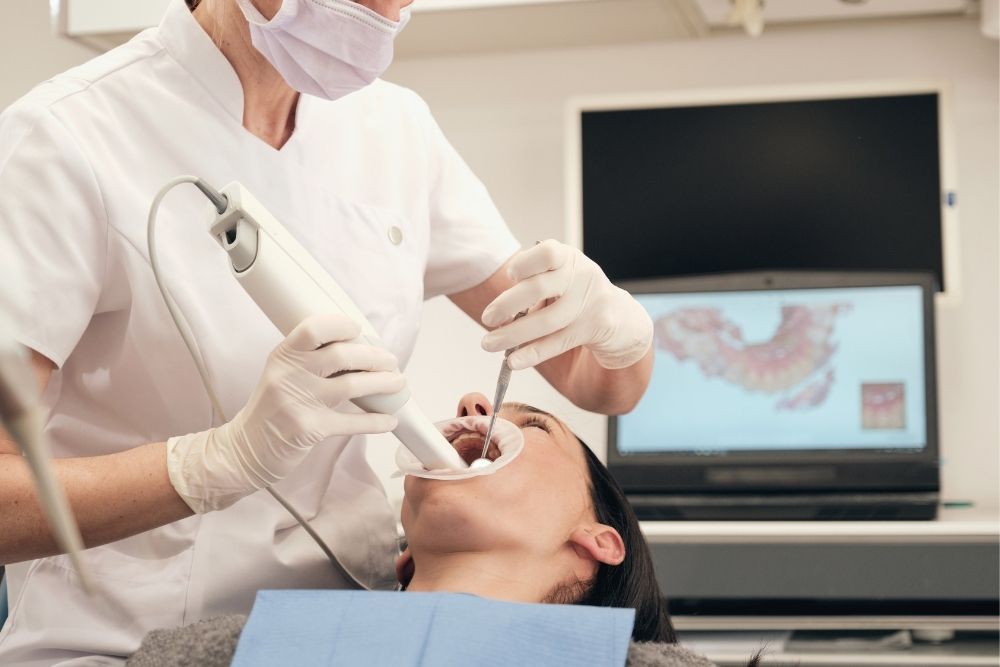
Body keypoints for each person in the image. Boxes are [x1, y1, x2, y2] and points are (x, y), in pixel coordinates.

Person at [0, 0, 656, 663]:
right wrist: (210, 464)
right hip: (118, 642)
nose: (391, 13)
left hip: (351, 625)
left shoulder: (393, 130)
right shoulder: (64, 138)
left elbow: (593, 376)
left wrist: (620, 329)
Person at [127, 394, 730, 666]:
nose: (472, 405)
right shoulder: (208, 656)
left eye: (536, 424)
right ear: (404, 556)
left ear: (597, 544)